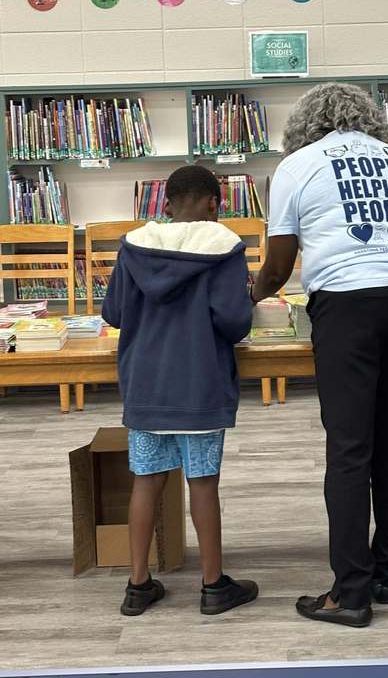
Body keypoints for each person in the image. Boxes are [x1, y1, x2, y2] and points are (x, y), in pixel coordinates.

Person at [251, 83, 388, 629]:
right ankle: (385, 574)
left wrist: (250, 295)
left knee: (351, 447)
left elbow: (280, 266)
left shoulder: (298, 165)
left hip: (350, 302)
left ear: (304, 124)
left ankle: (350, 593)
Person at [102, 164, 258, 617]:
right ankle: (213, 586)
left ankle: (137, 586)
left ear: (165, 204)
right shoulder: (225, 248)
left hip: (147, 386)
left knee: (146, 482)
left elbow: (114, 313)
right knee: (203, 483)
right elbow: (233, 323)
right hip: (201, 386)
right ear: (215, 204)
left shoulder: (133, 248)